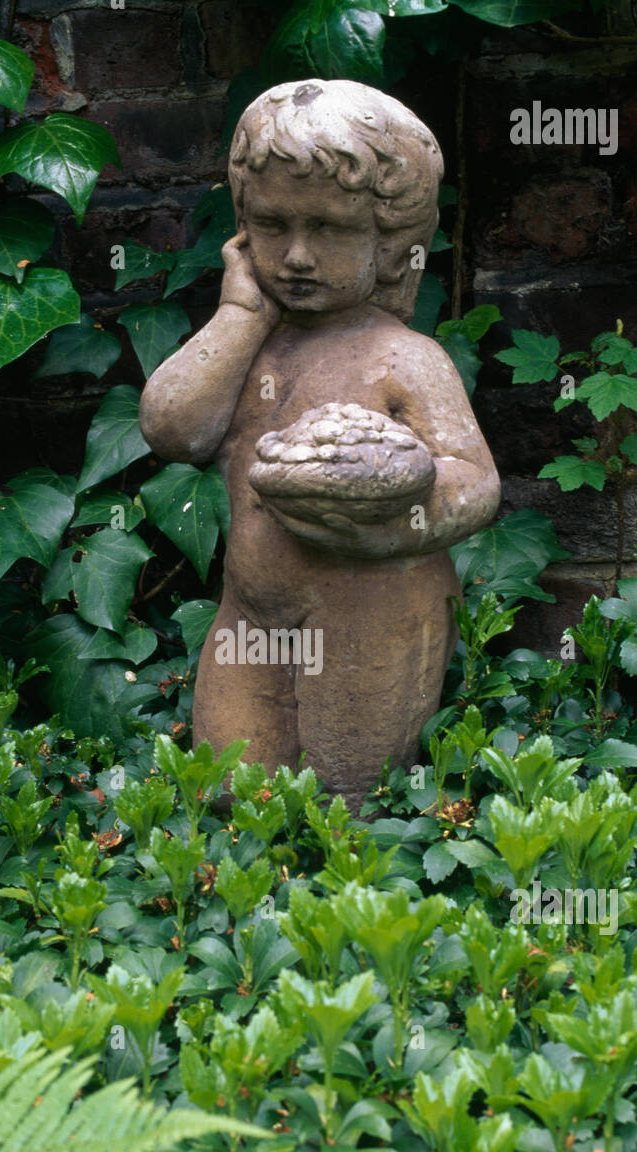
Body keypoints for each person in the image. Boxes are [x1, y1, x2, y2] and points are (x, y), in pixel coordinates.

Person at [139, 79, 501, 813]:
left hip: (368, 612)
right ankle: (239, 900)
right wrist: (239, 314)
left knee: (346, 797)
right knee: (229, 790)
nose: (296, 255)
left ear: (393, 247)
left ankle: (346, 896)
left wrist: (387, 525)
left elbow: (475, 483)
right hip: (251, 612)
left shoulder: (402, 358)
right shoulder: (248, 346)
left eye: (330, 230)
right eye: (271, 226)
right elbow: (174, 429)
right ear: (241, 230)